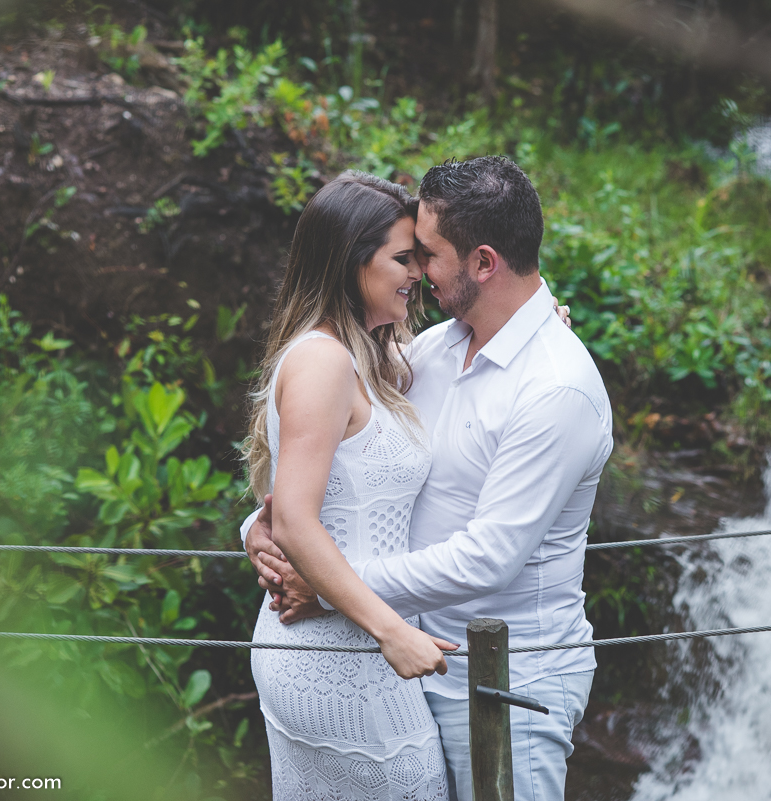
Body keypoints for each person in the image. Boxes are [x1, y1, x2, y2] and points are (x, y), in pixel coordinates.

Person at [244, 156, 615, 801]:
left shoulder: (556, 388)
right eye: (407, 255)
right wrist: (264, 527)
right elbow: (343, 462)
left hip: (503, 679)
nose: (418, 272)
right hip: (401, 663)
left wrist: (329, 587)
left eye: (428, 253)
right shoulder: (433, 350)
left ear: (484, 262)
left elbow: (488, 558)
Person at [242, 170, 458, 801]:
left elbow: (300, 500)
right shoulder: (322, 360)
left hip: (358, 646)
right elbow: (299, 520)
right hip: (337, 655)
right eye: (401, 258)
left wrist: (539, 325)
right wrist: (393, 631)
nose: (417, 273)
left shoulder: (375, 355)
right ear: (349, 262)